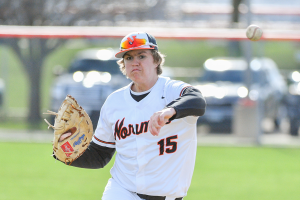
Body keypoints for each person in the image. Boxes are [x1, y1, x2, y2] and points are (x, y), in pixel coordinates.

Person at [56, 32, 206, 200]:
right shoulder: (114, 102)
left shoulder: (172, 90)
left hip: (169, 196)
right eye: (128, 58)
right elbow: (99, 156)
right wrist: (65, 153)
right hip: (121, 191)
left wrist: (170, 111)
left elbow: (198, 101)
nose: (135, 63)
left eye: (141, 56)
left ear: (156, 60)